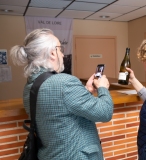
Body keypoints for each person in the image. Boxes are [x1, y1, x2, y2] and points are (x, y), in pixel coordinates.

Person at [10, 28, 113, 160]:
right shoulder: (64, 82)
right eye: (60, 49)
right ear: (52, 53)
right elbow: (105, 113)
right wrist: (103, 88)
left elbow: (61, 110)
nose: (63, 55)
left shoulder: (29, 87)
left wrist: (86, 91)